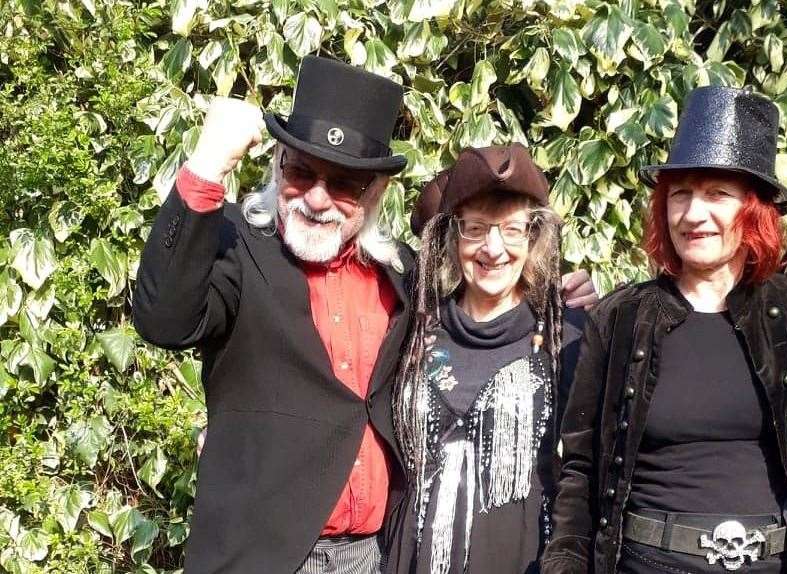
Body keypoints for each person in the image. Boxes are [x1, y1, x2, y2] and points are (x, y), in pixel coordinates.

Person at [133, 56, 597, 574]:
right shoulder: (237, 247)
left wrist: (552, 297)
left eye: (344, 184)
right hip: (258, 555)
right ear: (277, 161)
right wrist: (207, 165)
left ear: (375, 192)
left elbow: (486, 278)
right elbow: (164, 318)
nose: (316, 198)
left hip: (372, 556)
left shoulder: (402, 274)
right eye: (301, 171)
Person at [542, 86, 787, 574]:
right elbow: (581, 470)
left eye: (717, 194)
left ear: (753, 209)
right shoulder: (621, 318)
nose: (693, 214)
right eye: (680, 194)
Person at [385, 144, 585, 574]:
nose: (493, 249)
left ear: (533, 237)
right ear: (453, 237)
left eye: (511, 229)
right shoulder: (410, 328)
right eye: (475, 229)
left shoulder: (565, 339)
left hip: (521, 559)